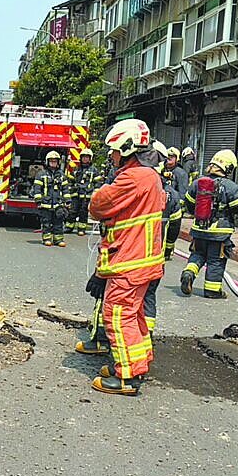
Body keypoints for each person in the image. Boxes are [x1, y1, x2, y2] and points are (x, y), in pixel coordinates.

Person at [87, 119, 166, 396]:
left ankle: (127, 377)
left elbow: (98, 205)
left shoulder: (132, 178)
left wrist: (97, 194)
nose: (111, 156)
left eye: (114, 151)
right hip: (143, 261)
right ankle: (137, 363)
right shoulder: (150, 177)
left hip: (129, 263)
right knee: (134, 316)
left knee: (118, 316)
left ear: (126, 146)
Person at [179, 149, 238, 299]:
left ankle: (188, 273)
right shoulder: (231, 186)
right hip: (219, 233)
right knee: (216, 260)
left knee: (197, 254)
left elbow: (189, 205)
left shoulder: (198, 183)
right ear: (228, 168)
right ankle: (213, 290)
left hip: (199, 229)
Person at [143, 141, 183, 333]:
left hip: (129, 256)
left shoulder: (133, 185)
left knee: (118, 298)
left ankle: (103, 338)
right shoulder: (171, 194)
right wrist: (167, 250)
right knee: (149, 295)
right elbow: (174, 226)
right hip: (156, 258)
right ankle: (147, 333)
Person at [33, 151, 69, 247]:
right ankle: (47, 239)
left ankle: (58, 240)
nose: (53, 163)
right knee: (46, 222)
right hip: (45, 204)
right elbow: (37, 189)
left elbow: (65, 189)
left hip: (58, 204)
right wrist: (39, 201)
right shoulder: (41, 174)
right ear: (47, 162)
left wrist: (67, 201)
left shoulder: (61, 175)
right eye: (51, 161)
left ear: (58, 163)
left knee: (58, 222)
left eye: (55, 161)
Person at [65, 148, 103, 235]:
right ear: (81, 158)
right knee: (72, 211)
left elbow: (98, 183)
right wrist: (71, 191)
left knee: (83, 212)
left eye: (87, 157)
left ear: (90, 159)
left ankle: (81, 229)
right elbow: (70, 181)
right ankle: (68, 227)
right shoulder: (76, 169)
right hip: (76, 195)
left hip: (87, 196)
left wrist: (94, 194)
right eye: (84, 157)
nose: (85, 159)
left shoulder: (94, 171)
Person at [163, 147, 189, 260]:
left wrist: (179, 207)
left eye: (171, 157)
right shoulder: (162, 170)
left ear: (177, 159)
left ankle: (169, 250)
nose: (168, 160)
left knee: (172, 231)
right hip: (163, 206)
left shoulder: (180, 173)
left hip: (174, 208)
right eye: (167, 157)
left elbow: (182, 193)